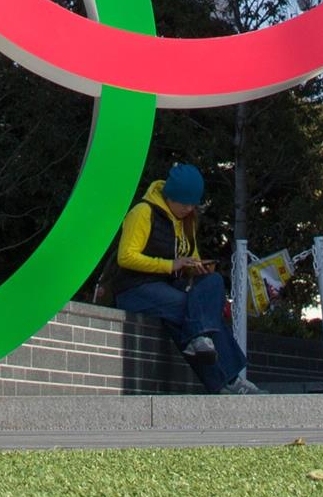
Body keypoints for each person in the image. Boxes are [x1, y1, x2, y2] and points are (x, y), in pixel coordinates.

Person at [103, 163, 259, 395]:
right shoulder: (143, 213)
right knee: (194, 311)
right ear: (169, 197)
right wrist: (170, 265)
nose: (188, 208)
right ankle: (231, 380)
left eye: (192, 204)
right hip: (135, 288)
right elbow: (126, 257)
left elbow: (190, 255)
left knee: (213, 283)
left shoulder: (188, 220)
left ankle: (203, 347)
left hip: (170, 285)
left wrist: (197, 267)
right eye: (183, 203)